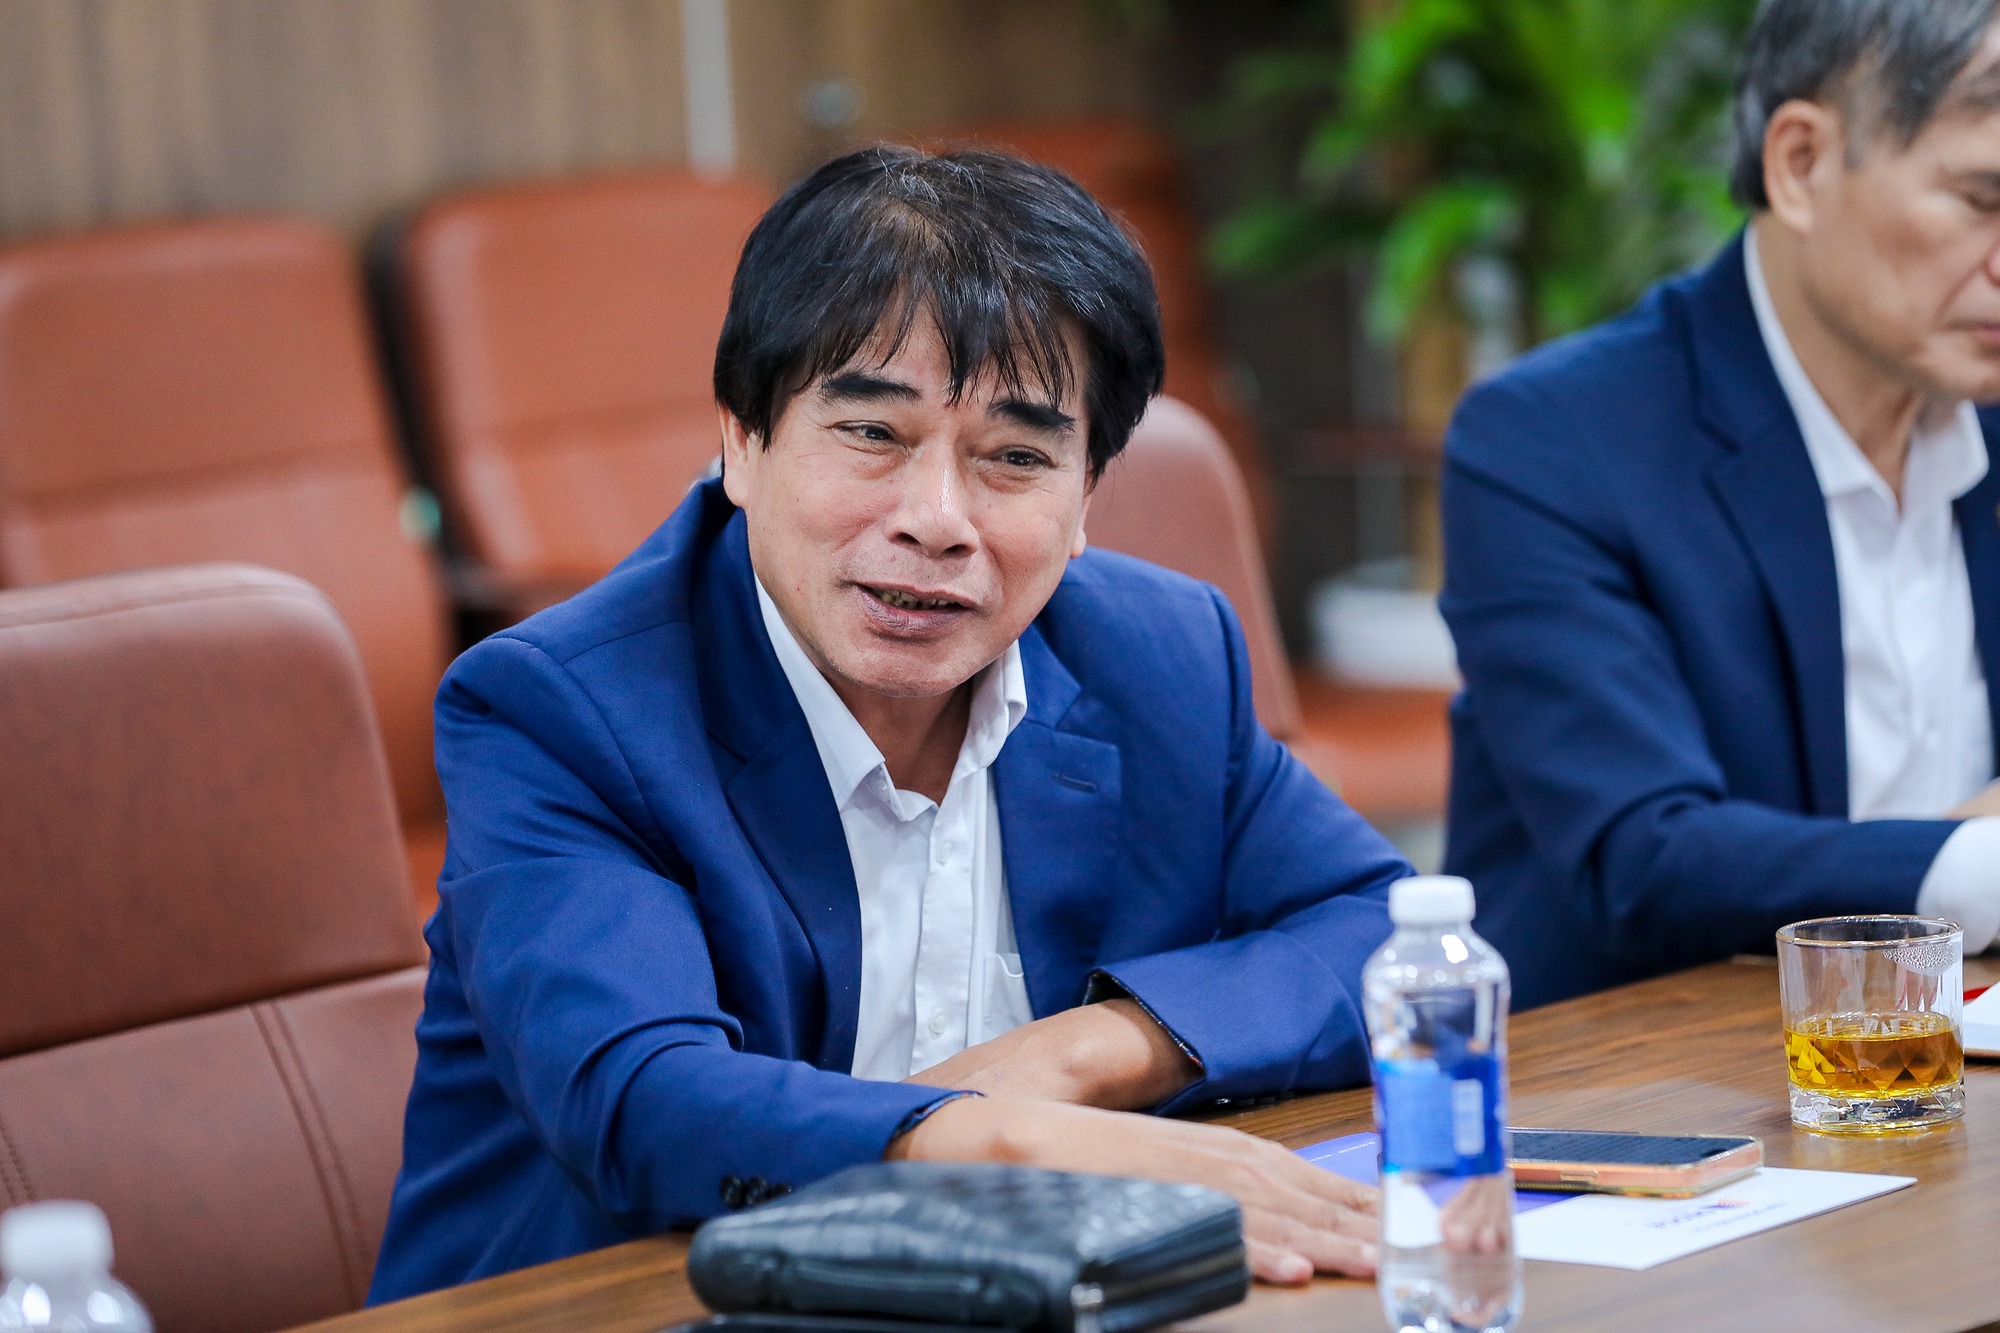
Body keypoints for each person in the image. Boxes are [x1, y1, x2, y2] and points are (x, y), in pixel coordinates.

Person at [369, 146, 1410, 1302]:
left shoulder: (1155, 654)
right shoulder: (564, 711)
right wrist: (1004, 1137)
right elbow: (644, 1097)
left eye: (1014, 457)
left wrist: (1076, 1056)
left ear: (1084, 501)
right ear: (741, 440)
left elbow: (1390, 935)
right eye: (871, 434)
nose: (935, 520)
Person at [1442, 0, 2000, 1010]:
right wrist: (1977, 861)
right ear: (1801, 165)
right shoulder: (1553, 440)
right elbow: (1645, 852)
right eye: (1979, 198)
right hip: (1658, 1067)